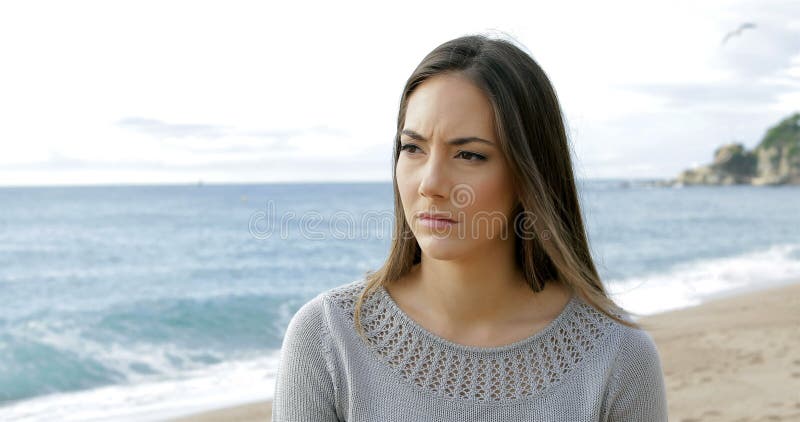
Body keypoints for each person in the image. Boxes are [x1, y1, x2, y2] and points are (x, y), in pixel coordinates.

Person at [272, 33, 668, 421]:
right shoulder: (328, 337)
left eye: (469, 154)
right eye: (413, 148)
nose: (430, 183)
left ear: (529, 175)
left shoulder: (617, 357)